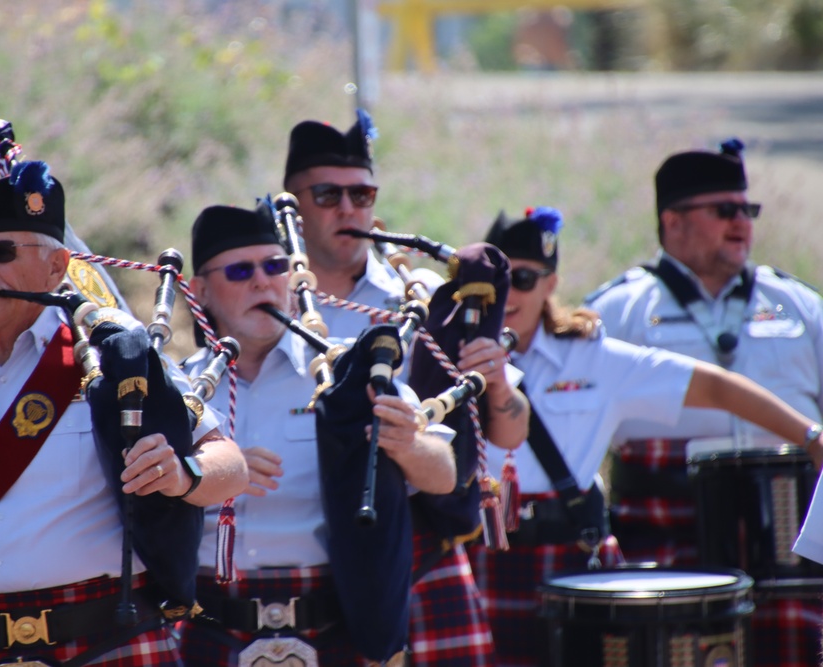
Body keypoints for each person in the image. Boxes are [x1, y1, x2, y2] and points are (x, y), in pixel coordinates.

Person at [0, 162, 249, 667]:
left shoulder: (119, 357)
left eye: (1, 251)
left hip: (109, 644)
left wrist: (181, 475)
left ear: (58, 267)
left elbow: (230, 465)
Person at [467, 205, 823, 667]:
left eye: (525, 279)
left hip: (571, 556)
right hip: (481, 549)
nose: (508, 293)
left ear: (551, 284)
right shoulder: (454, 353)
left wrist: (811, 435)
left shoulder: (594, 358)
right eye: (498, 281)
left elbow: (714, 386)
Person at [283, 113, 529, 665]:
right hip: (297, 566)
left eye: (362, 193)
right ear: (294, 205)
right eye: (327, 194)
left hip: (418, 557)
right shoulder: (264, 297)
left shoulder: (422, 298)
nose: (349, 209)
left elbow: (512, 428)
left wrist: (491, 384)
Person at [177, 202, 459, 666]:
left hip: (331, 622)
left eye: (274, 266)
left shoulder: (346, 373)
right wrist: (218, 470)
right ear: (199, 291)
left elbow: (445, 475)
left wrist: (408, 444)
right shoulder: (181, 387)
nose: (262, 281)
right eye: (240, 270)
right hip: (205, 626)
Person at [585, 139, 823, 666]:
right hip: (662, 525)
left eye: (747, 210)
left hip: (785, 530)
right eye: (724, 211)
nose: (742, 223)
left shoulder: (799, 306)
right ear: (673, 221)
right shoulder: (616, 311)